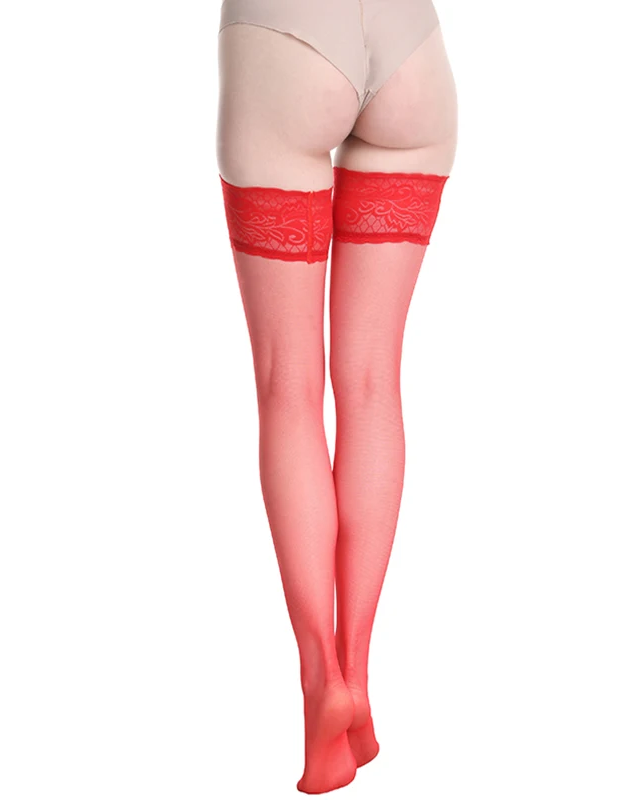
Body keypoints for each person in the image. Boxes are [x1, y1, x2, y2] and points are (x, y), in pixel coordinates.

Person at [216, 0, 457, 792]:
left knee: (288, 386)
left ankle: (323, 680)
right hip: (411, 50)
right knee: (373, 381)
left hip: (286, 38)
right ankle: (357, 668)